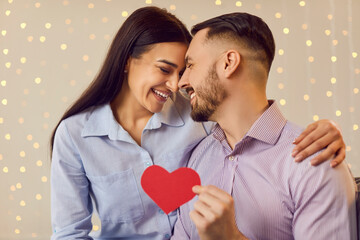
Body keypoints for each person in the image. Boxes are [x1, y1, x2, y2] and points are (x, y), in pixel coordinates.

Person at [50, 6, 347, 239]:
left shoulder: (200, 119)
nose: (179, 83)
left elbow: (251, 120)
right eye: (166, 68)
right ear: (127, 60)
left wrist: (326, 132)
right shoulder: (76, 134)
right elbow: (69, 233)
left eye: (186, 68)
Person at [171, 12, 358, 240]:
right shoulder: (198, 156)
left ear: (228, 63)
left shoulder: (316, 163)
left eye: (190, 65)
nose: (182, 82)